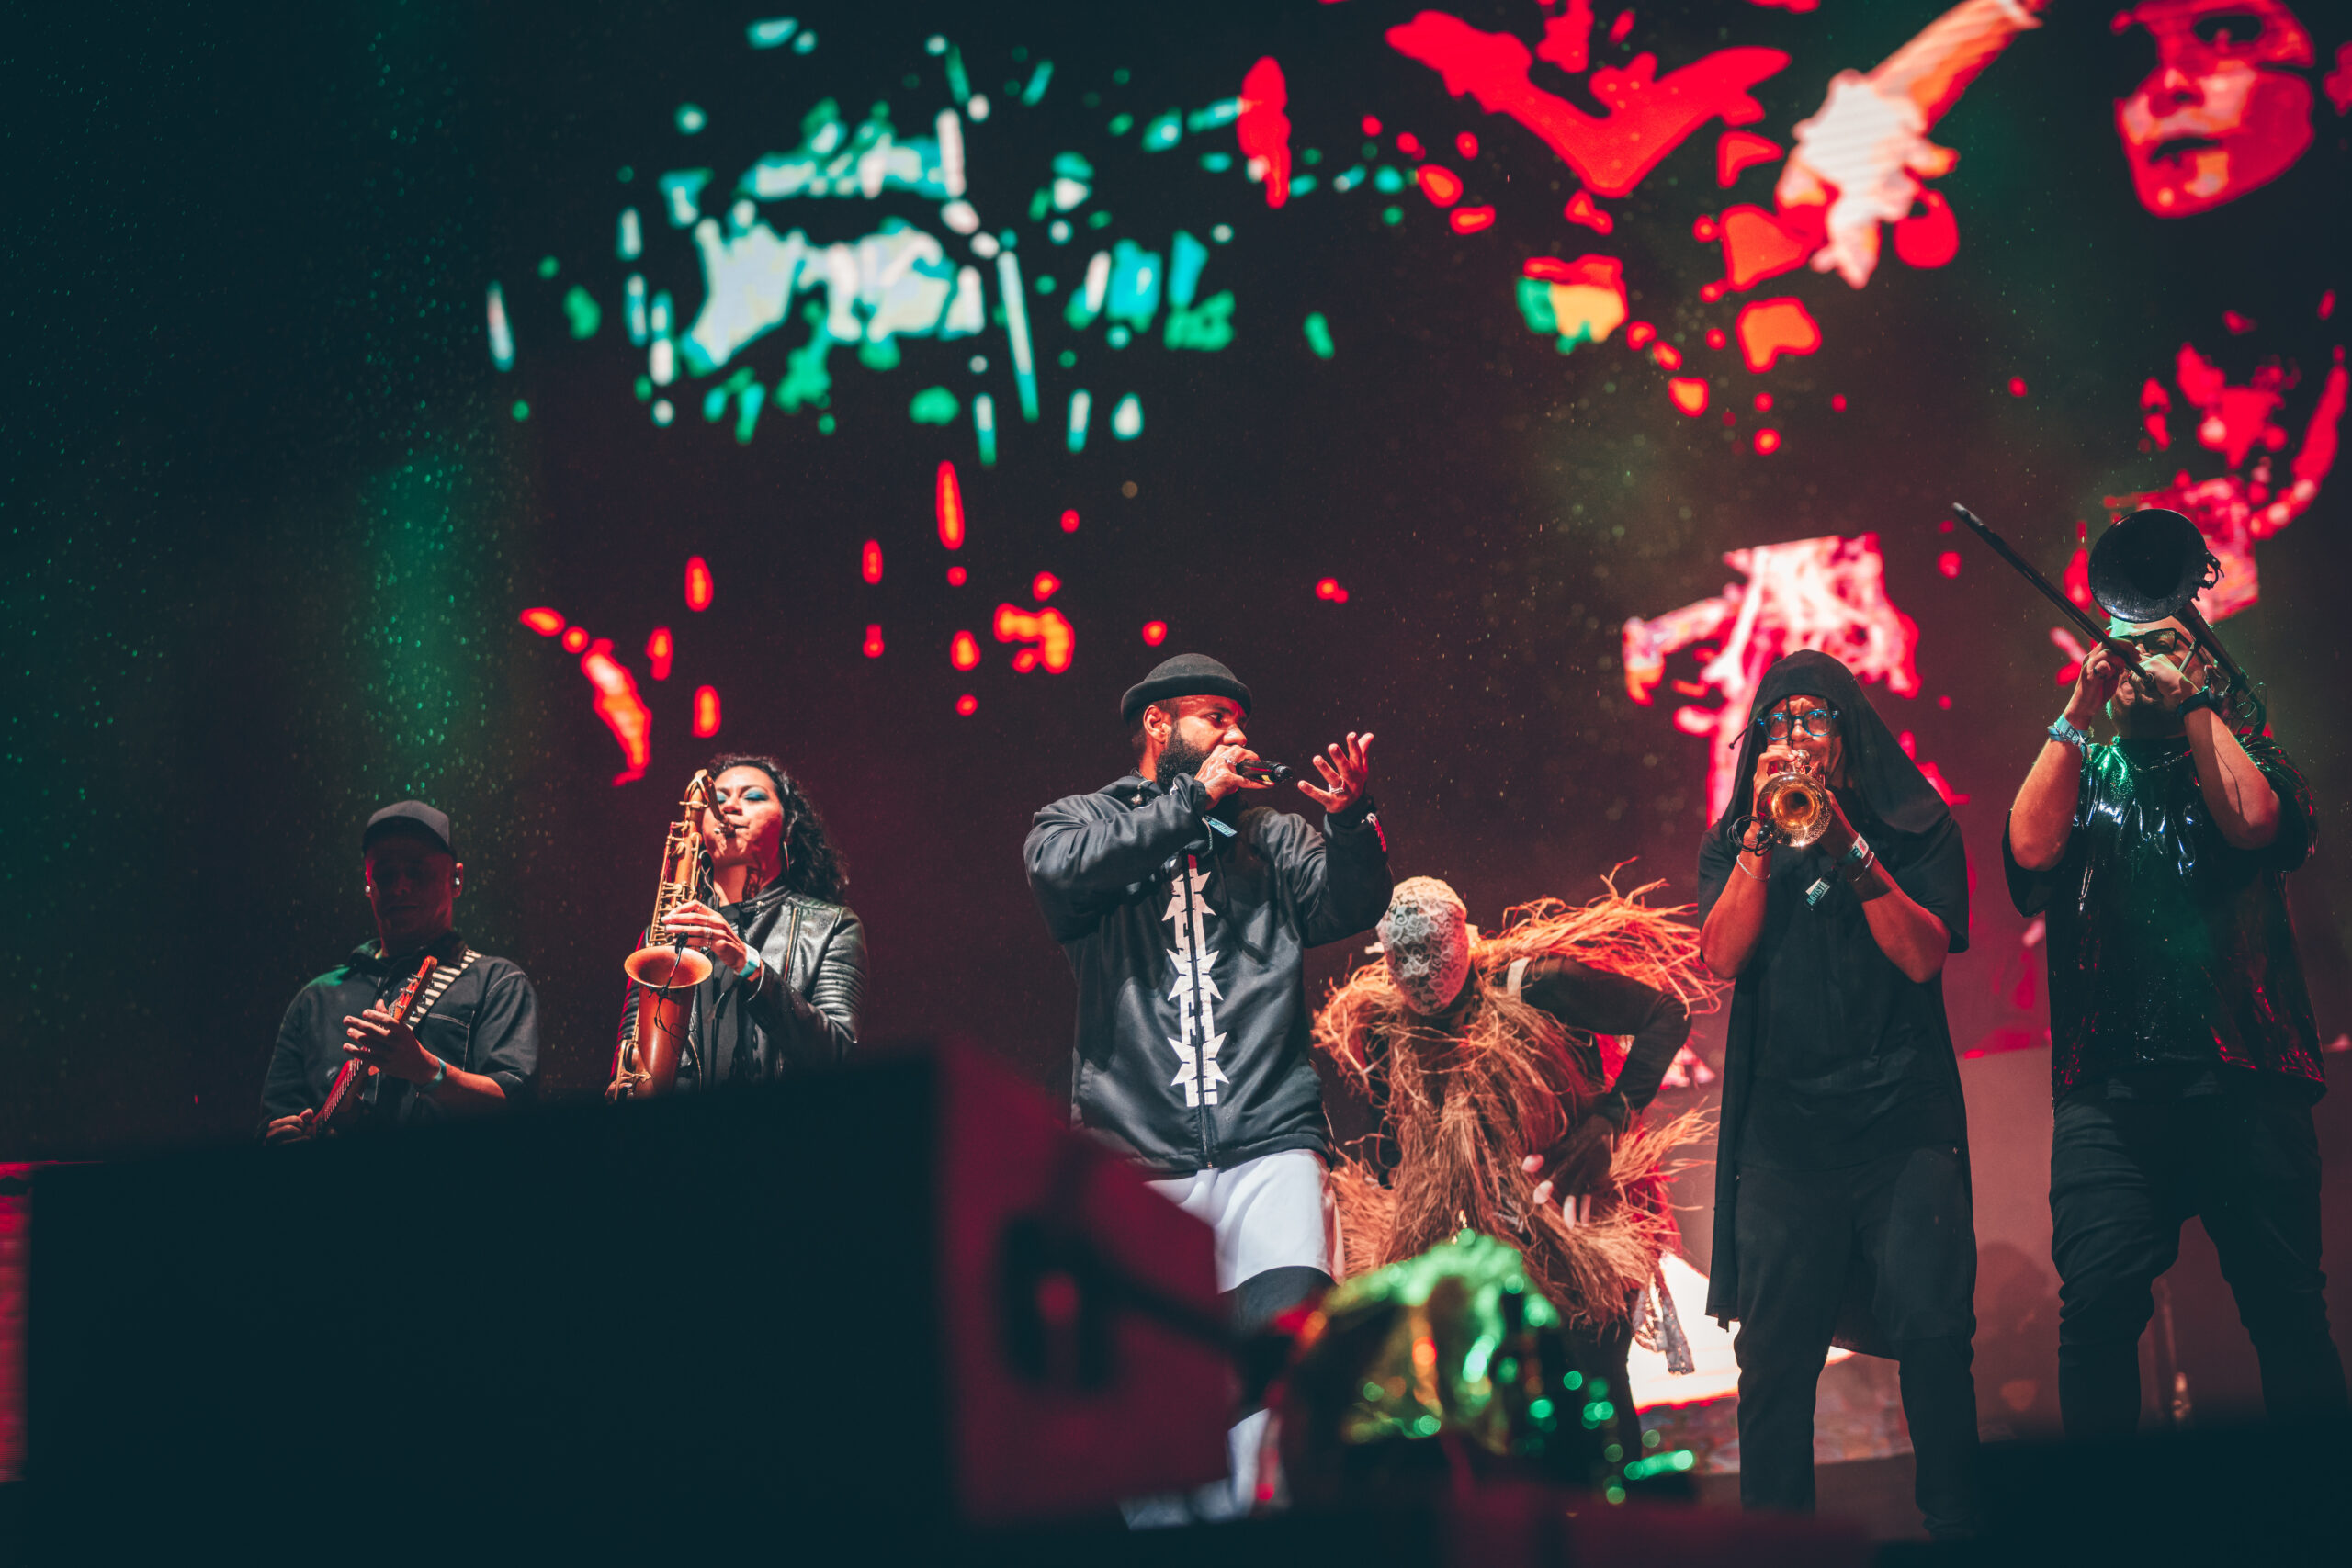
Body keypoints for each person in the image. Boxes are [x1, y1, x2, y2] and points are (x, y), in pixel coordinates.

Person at [1023, 652, 1389, 1521]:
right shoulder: (1080, 819)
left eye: (1240, 722)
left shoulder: (1268, 834)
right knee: (1156, 1413)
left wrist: (1349, 820)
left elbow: (1350, 903)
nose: (1237, 735)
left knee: (1280, 1388)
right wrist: (1190, 806)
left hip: (1271, 1139)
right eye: (1214, 718)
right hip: (1138, 1158)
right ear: (1158, 726)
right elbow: (1057, 876)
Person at [2005, 602, 2346, 1436]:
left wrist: (2195, 704)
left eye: (2168, 645)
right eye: (2128, 647)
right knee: (2094, 1317)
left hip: (2248, 1077)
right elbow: (2029, 852)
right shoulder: (2087, 766)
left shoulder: (2249, 749)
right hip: (2109, 1093)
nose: (2142, 660)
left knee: (2287, 1313)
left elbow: (2256, 822)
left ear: (2205, 664)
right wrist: (2079, 710)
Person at [1696, 649, 1979, 1538]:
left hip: (1902, 1123)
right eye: (1777, 726)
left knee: (1933, 1336)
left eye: (1812, 721)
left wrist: (1847, 848)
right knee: (1774, 1367)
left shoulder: (1913, 823)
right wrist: (1759, 842)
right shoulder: (1737, 838)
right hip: (1786, 1140)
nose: (1794, 741)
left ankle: (1961, 1529)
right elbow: (1721, 957)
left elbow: (1924, 954)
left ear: (1847, 733)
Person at [1316, 875, 1708, 1459]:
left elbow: (1665, 1014)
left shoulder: (1537, 985)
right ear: (1385, 960)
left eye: (1434, 954)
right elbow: (1397, 1150)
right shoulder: (1384, 1028)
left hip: (1571, 1231)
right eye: (1406, 961)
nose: (1422, 974)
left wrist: (1609, 1118)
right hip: (1477, 1255)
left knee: (1595, 1387)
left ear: (1464, 937)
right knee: (1503, 1418)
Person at [262, 801, 539, 1141]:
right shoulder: (314, 1000)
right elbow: (275, 1117)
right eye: (385, 874)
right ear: (368, 885)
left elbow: (518, 1104)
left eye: (418, 870)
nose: (400, 887)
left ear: (457, 879)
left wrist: (425, 1070)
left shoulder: (497, 983)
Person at [609, 754, 864, 1093]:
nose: (729, 807)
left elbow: (837, 1055)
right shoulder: (661, 932)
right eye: (721, 798)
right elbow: (632, 1061)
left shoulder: (832, 926)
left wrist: (748, 964)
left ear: (788, 827)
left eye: (753, 796)